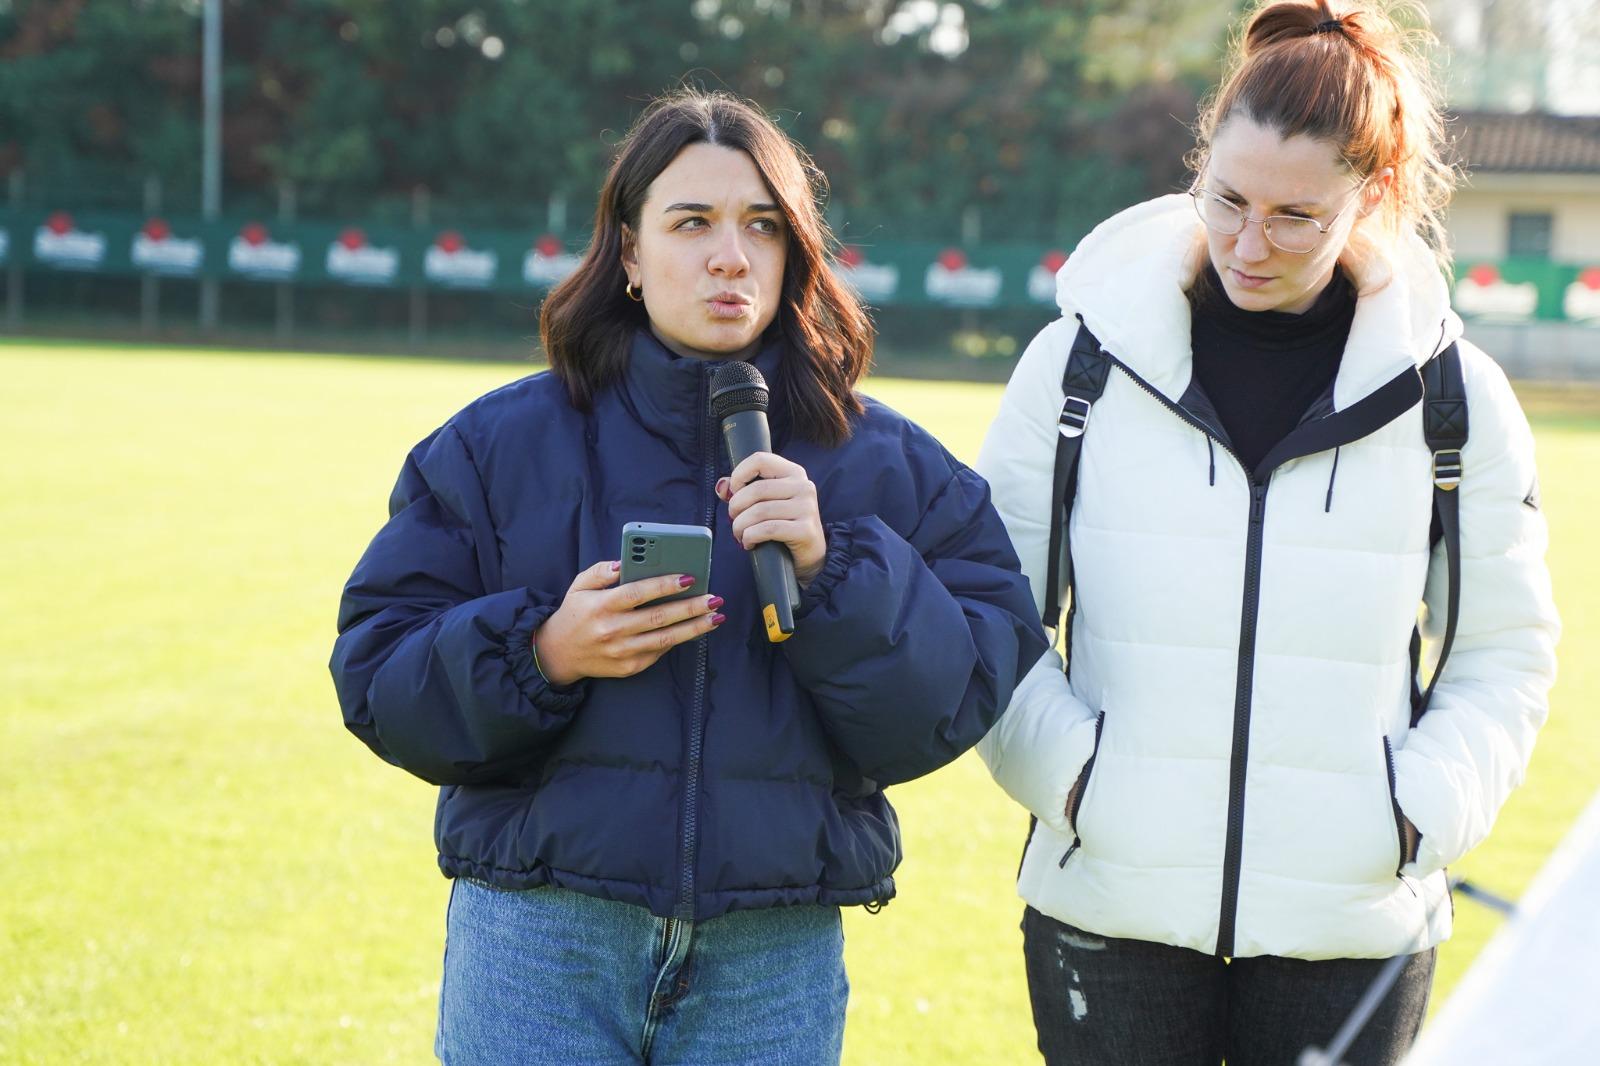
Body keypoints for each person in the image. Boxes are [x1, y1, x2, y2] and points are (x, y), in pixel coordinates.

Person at [328, 89, 1046, 1066]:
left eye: (761, 225)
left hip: (770, 960)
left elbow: (952, 702)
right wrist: (543, 651)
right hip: (541, 945)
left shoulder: (892, 469)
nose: (729, 255)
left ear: (794, 250)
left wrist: (836, 569)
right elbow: (376, 678)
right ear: (628, 252)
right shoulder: (494, 449)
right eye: (691, 222)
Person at [975, 2, 1559, 1063]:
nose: (1248, 243)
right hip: (1109, 907)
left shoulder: (1454, 400)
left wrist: (1411, 816)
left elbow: (1503, 653)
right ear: (1198, 164)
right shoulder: (1073, 370)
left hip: (1351, 922)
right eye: (1227, 199)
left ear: (1370, 196)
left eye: (1295, 215)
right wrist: (1077, 783)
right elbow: (992, 613)